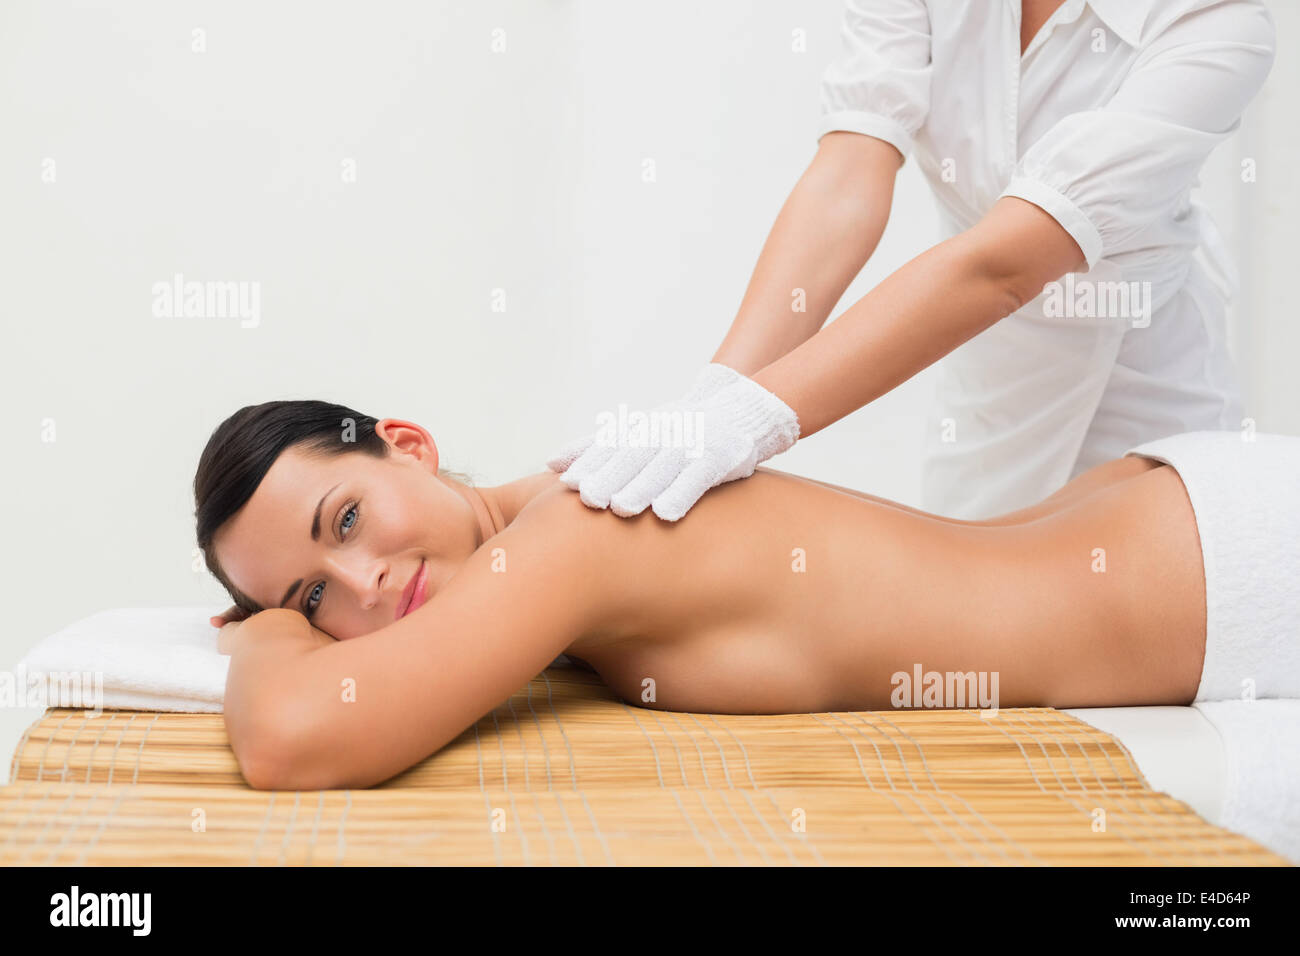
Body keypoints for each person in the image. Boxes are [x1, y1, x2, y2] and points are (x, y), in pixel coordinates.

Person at [196, 400, 1300, 790]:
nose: (365, 582)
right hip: (1181, 529)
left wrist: (270, 632)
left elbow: (297, 735)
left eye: (344, 520)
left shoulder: (576, 530)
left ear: (408, 445)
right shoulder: (548, 542)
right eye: (314, 592)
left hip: (1231, 560)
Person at [547, 0, 1276, 522]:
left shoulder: (1217, 19)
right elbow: (850, 169)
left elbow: (1009, 262)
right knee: (977, 645)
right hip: (989, 383)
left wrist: (757, 418)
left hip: (1149, 396)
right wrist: (712, 400)